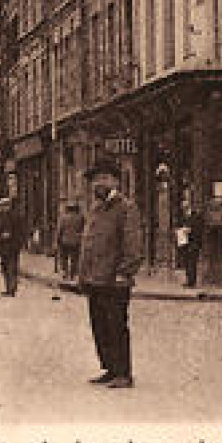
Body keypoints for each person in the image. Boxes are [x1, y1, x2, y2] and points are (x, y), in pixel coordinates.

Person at [78, 158, 143, 388]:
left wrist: (124, 273)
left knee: (116, 325)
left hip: (114, 280)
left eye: (104, 178)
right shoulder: (96, 209)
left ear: (116, 181)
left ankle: (124, 372)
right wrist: (83, 275)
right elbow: (89, 244)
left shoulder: (126, 208)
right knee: (100, 326)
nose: (99, 184)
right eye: (96, 180)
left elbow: (132, 244)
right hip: (95, 279)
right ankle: (110, 368)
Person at [0, 195, 28, 296]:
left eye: (1, 206)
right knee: (9, 267)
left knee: (9, 267)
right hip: (10, 246)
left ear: (7, 206)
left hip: (9, 246)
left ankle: (11, 289)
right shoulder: (10, 216)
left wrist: (6, 236)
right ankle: (11, 288)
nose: (0, 208)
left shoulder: (11, 216)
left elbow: (15, 232)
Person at [55, 200, 85, 280]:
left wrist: (57, 239)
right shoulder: (80, 217)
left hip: (65, 241)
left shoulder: (63, 217)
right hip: (76, 241)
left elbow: (60, 229)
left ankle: (65, 272)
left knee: (64, 258)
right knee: (74, 259)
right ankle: (72, 274)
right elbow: (83, 229)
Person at [177, 204, 205, 288]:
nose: (184, 209)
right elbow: (180, 226)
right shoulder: (183, 217)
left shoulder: (196, 216)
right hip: (185, 242)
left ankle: (192, 282)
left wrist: (191, 230)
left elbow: (199, 229)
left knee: (192, 262)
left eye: (185, 207)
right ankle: (188, 280)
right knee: (186, 262)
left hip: (194, 243)